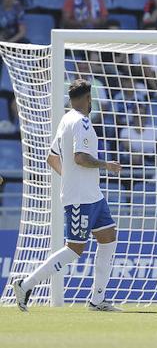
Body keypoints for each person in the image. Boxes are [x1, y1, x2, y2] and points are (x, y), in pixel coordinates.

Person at [12, 79, 123, 312]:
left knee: (108, 238)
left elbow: (51, 157)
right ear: (87, 98)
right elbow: (80, 158)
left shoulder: (65, 119)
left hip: (93, 195)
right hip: (80, 198)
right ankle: (25, 284)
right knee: (74, 249)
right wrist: (107, 165)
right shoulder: (81, 122)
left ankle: (97, 300)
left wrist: (70, 177)